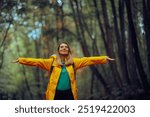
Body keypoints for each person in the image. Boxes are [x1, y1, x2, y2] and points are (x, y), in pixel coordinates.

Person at [12, 42, 114, 100]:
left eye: (66, 47)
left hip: (69, 94)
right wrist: (21, 60)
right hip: (55, 94)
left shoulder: (74, 62)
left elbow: (89, 60)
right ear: (58, 50)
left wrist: (104, 58)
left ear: (68, 50)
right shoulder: (51, 62)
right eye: (62, 47)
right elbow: (36, 62)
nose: (64, 48)